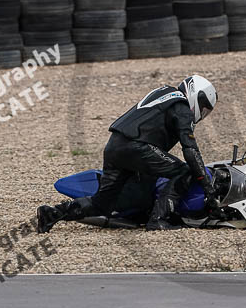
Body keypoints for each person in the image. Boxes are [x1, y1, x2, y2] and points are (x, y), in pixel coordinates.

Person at [37, 75, 218, 233]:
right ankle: (158, 220)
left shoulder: (164, 93)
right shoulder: (182, 106)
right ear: (196, 94)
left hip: (115, 147)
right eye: (203, 108)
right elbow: (190, 149)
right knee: (184, 171)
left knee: (102, 204)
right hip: (137, 147)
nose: (202, 114)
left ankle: (52, 213)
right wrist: (207, 186)